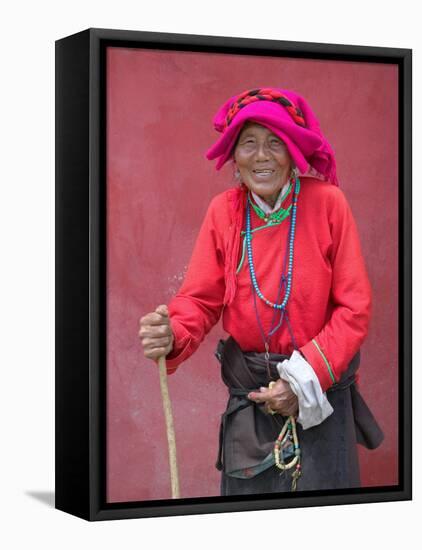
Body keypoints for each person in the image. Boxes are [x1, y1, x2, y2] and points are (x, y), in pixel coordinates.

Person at [138, 88, 383, 495]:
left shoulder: (328, 205)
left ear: (293, 154)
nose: (262, 156)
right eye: (248, 143)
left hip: (319, 391)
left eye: (275, 143)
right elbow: (200, 299)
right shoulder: (224, 212)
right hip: (249, 399)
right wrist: (174, 334)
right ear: (234, 156)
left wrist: (301, 382)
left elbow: (353, 309)